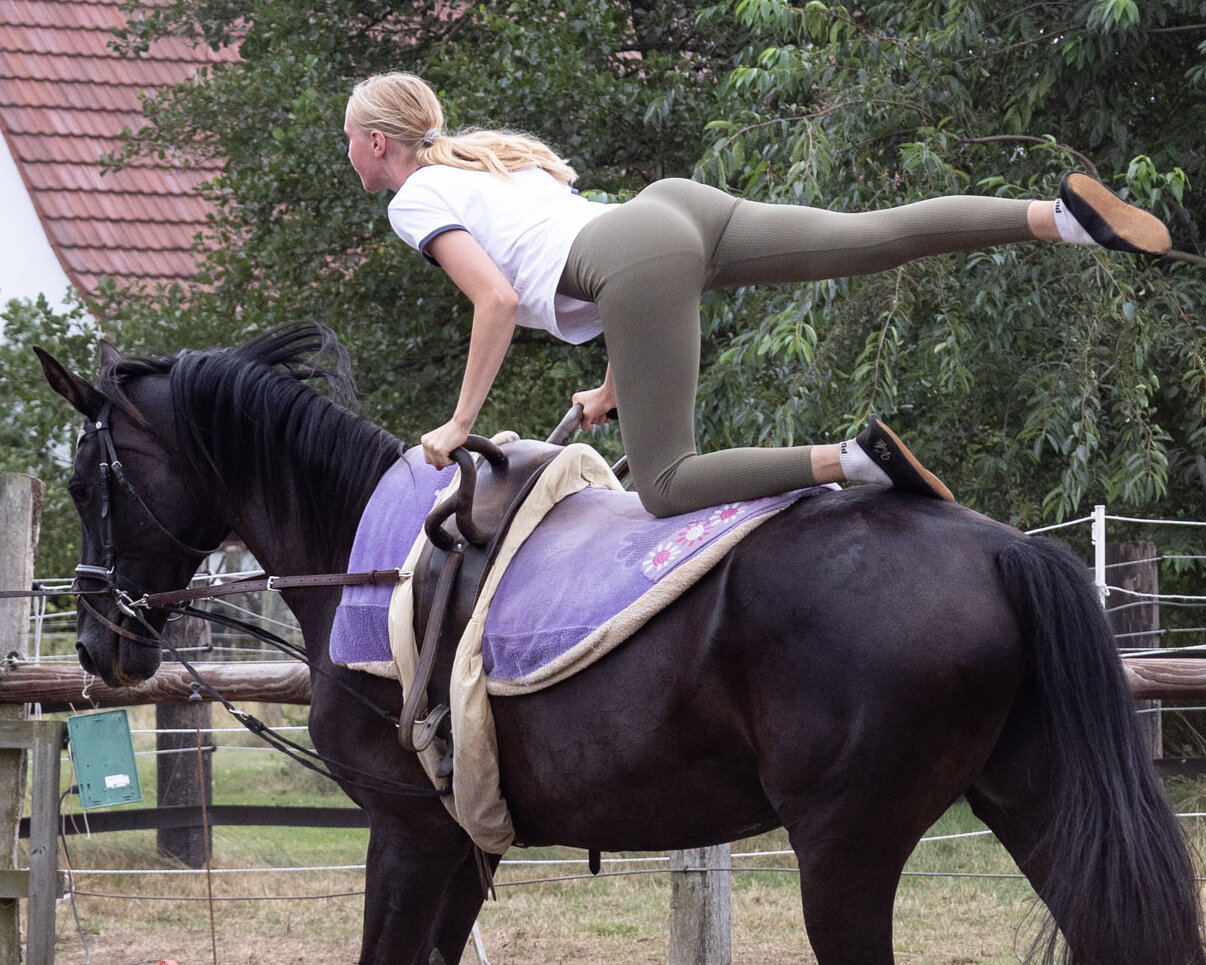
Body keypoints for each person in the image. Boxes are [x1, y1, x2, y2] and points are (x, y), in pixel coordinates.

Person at [344, 71, 1172, 518]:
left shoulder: (414, 196)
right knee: (867, 235)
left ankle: (852, 461)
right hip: (672, 211)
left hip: (640, 256)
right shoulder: (480, 163)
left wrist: (458, 424)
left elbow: (494, 299)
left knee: (664, 485)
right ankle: (1057, 216)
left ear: (376, 143)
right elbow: (572, 254)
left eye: (350, 140)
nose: (351, 152)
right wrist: (610, 386)